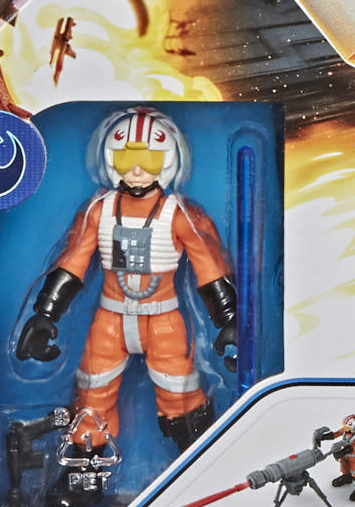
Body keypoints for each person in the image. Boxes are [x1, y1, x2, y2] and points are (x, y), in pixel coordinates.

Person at [15, 108, 237, 457]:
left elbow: (208, 264)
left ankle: (197, 461)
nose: (135, 170)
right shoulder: (99, 211)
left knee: (180, 394)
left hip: (163, 321)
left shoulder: (178, 214)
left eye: (147, 160)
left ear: (166, 162)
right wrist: (46, 314)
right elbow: (73, 261)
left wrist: (230, 319)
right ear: (110, 160)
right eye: (125, 159)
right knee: (92, 392)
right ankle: (84, 467)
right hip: (110, 320)